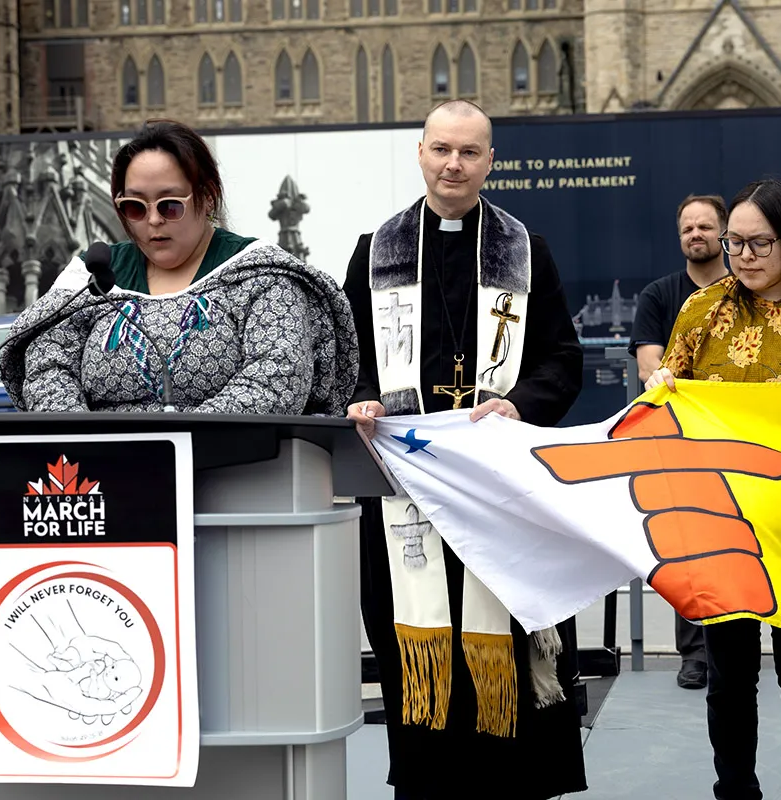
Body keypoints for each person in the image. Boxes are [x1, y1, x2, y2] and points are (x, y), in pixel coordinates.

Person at [341, 99, 586, 800]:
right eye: (442, 149)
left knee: (507, 641)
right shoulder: (374, 250)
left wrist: (519, 405)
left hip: (498, 492)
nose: (454, 163)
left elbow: (560, 360)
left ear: (490, 162)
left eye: (469, 152)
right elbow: (348, 358)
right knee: (416, 650)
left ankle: (515, 787)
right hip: (405, 495)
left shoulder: (525, 251)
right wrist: (361, 397)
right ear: (420, 152)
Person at [647, 178, 781, 800]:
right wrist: (661, 384)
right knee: (730, 671)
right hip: (723, 521)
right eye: (735, 242)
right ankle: (734, 788)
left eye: (759, 242)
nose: (745, 255)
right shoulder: (702, 308)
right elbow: (666, 405)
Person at [0, 119, 357, 415]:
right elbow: (47, 365)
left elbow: (279, 375)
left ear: (207, 197)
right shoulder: (95, 275)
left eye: (170, 206)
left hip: (236, 470)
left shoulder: (261, 274)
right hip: (105, 472)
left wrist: (181, 441)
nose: (153, 220)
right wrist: (91, 442)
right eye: (135, 208)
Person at [627, 192, 729, 690]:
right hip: (677, 440)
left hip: (736, 438)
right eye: (688, 227)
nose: (696, 235)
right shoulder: (659, 296)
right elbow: (650, 368)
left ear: (724, 233)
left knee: (736, 544)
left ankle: (738, 648)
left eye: (705, 227)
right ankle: (694, 655)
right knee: (686, 546)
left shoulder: (745, 293)